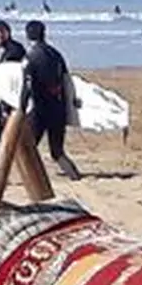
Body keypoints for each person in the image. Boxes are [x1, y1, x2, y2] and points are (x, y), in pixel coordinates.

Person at [18, 19, 83, 181]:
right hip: (58, 108)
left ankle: (35, 178)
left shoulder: (30, 58)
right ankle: (74, 176)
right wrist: (71, 103)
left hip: (40, 110)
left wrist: (21, 108)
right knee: (57, 151)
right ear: (44, 34)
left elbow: (27, 86)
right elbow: (67, 80)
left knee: (29, 146)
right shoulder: (56, 54)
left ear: (27, 36)